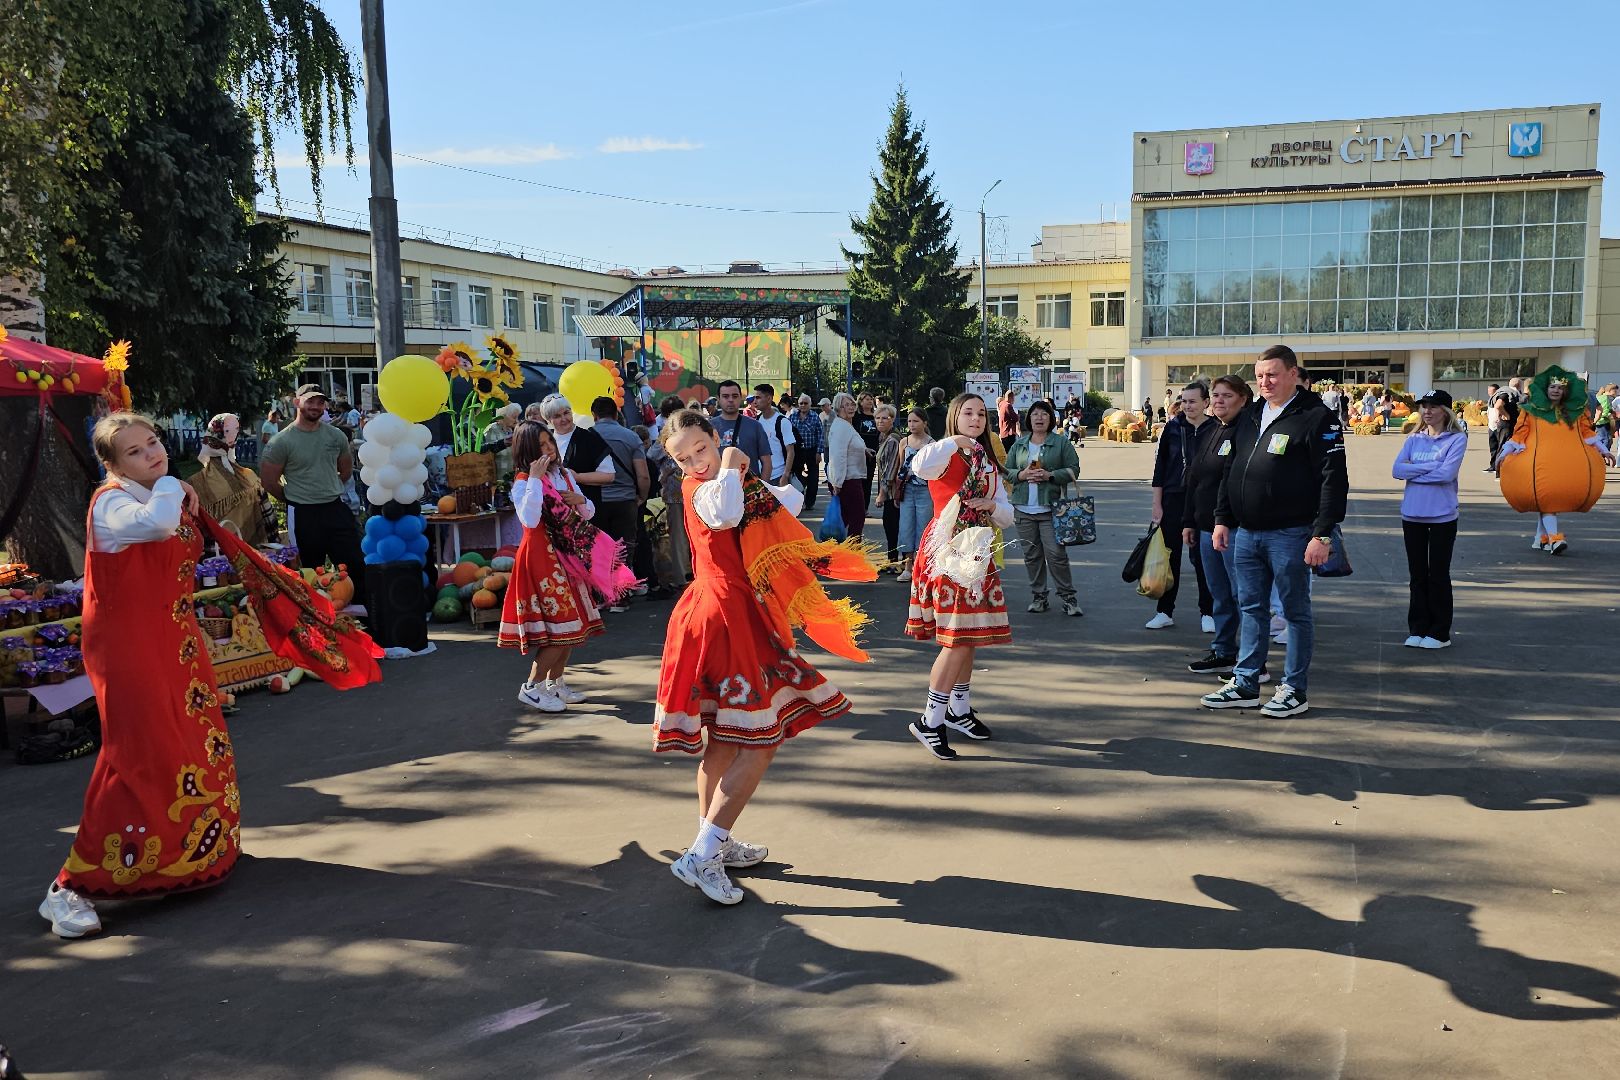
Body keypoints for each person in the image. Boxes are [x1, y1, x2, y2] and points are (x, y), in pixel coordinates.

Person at [41, 412, 380, 939]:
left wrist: (176, 491)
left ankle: (191, 853)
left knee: (191, 743)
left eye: (152, 442)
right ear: (112, 465)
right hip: (129, 647)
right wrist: (176, 486)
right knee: (137, 755)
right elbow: (154, 526)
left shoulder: (160, 495)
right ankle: (70, 887)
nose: (152, 453)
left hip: (174, 639)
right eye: (134, 451)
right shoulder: (113, 502)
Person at [654, 410, 878, 904]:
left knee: (726, 740)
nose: (696, 462)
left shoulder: (729, 482)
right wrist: (732, 462)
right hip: (724, 616)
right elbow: (725, 512)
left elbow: (787, 501)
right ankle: (704, 852)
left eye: (701, 449)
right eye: (683, 458)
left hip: (728, 610)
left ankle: (714, 842)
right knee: (760, 739)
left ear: (714, 436)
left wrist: (742, 469)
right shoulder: (708, 489)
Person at [1202, 345, 1347, 719]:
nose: (1265, 382)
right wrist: (1222, 519)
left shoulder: (1317, 417)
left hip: (1292, 533)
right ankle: (1246, 682)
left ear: (1293, 374)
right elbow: (1231, 470)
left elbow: (1333, 480)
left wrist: (1322, 534)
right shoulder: (1251, 414)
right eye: (1259, 376)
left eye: (1272, 374)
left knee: (1295, 612)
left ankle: (1294, 689)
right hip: (1247, 533)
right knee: (1251, 608)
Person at [904, 393, 1013, 760]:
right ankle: (930, 720)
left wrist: (992, 505)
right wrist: (955, 441)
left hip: (977, 552)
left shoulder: (987, 462)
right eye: (968, 412)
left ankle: (958, 710)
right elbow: (918, 465)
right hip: (947, 552)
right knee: (956, 639)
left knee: (969, 636)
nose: (976, 419)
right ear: (954, 416)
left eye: (981, 413)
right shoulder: (944, 453)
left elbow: (1007, 514)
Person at [499, 421, 635, 711]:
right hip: (542, 560)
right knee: (561, 629)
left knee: (574, 627)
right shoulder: (523, 481)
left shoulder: (562, 474)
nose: (549, 449)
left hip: (568, 557)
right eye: (541, 445)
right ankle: (532, 688)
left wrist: (580, 499)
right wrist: (535, 479)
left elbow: (587, 513)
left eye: (549, 442)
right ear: (528, 451)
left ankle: (555, 683)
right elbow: (529, 520)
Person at [1184, 375, 1260, 677]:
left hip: (1232, 529)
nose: (1219, 401)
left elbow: (1234, 483)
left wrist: (1221, 521)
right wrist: (1189, 521)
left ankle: (1252, 662)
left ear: (1243, 399)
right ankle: (1224, 649)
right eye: (1215, 395)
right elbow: (1195, 480)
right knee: (1220, 594)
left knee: (1244, 596)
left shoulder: (1248, 431)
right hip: (1206, 528)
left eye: (1227, 396)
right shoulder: (1212, 430)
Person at [1496, 365, 1612, 554]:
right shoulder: (1532, 410)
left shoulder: (1575, 411)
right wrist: (1504, 453)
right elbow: (1519, 434)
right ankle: (1554, 538)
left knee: (1548, 502)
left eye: (1560, 387)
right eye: (1552, 387)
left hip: (1563, 464)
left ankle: (1540, 539)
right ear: (1545, 389)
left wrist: (1604, 450)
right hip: (1539, 463)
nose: (1556, 390)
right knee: (1548, 501)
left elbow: (1586, 433)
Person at [259, 384, 364, 575]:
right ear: (297, 402)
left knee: (354, 567)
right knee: (310, 572)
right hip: (303, 513)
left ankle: (357, 595)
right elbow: (268, 482)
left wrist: (328, 488)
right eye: (310, 401)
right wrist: (294, 497)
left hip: (335, 508)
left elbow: (346, 470)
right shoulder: (281, 441)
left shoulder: (336, 436)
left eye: (320, 402)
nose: (315, 406)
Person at [1393, 390, 1468, 650]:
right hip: (1412, 514)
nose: (1427, 411)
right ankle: (1418, 628)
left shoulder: (1457, 439)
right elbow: (1397, 469)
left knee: (1438, 574)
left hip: (1442, 517)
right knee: (1417, 576)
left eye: (1433, 406)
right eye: (1424, 406)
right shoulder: (1413, 439)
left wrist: (1413, 471)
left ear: (1445, 412)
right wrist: (1430, 467)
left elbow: (1447, 474)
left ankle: (1439, 633)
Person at [1147, 382, 1216, 631]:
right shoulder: (1173, 428)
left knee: (1203, 559)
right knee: (1170, 556)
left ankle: (1208, 612)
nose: (1187, 406)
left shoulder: (1216, 428)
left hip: (1204, 501)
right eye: (1184, 401)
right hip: (1173, 499)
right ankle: (1164, 611)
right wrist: (1157, 504)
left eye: (1193, 401)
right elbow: (1160, 469)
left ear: (1206, 402)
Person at [1004, 399, 1082, 616]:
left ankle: (1068, 598)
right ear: (1029, 419)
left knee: (1056, 555)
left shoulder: (1061, 443)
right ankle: (1039, 597)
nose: (1039, 417)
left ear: (1051, 419)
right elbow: (1007, 471)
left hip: (1051, 510)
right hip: (1023, 510)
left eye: (1044, 414)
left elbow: (1074, 469)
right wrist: (1021, 475)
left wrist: (1050, 475)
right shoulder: (1019, 444)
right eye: (1035, 414)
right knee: (1032, 556)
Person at [589, 396, 651, 607]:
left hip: (595, 501)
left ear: (594, 415)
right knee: (624, 548)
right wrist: (641, 496)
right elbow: (643, 475)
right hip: (625, 500)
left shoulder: (586, 436)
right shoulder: (631, 437)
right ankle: (620, 597)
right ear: (616, 414)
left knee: (598, 549)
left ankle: (600, 596)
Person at [539, 394, 615, 512]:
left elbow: (609, 476)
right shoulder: (544, 440)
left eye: (566, 413)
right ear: (548, 420)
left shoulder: (590, 438)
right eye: (557, 416)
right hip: (554, 511)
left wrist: (577, 477)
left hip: (587, 510)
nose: (564, 418)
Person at [894, 409, 934, 583]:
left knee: (923, 528)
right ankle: (908, 567)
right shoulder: (904, 442)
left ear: (925, 422)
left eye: (916, 421)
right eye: (909, 421)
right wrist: (896, 491)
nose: (911, 425)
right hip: (907, 490)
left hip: (925, 490)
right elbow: (899, 467)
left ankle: (921, 566)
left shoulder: (932, 444)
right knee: (906, 526)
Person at [708, 380, 772, 480]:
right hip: (718, 487)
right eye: (725, 396)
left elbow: (767, 462)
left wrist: (762, 487)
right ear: (718, 399)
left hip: (750, 487)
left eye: (735, 396)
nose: (730, 400)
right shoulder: (708, 427)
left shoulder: (755, 426)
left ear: (740, 398)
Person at [826, 392, 868, 541]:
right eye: (846, 405)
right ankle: (851, 550)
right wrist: (837, 482)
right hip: (847, 480)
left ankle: (835, 549)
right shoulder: (842, 427)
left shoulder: (845, 425)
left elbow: (849, 447)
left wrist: (865, 450)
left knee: (844, 519)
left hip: (848, 478)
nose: (850, 408)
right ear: (838, 408)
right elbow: (838, 456)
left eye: (852, 404)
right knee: (857, 518)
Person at [872, 403, 904, 571]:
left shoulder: (892, 440)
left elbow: (891, 469)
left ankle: (895, 562)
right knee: (891, 525)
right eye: (877, 418)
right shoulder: (884, 437)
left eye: (885, 418)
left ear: (892, 419)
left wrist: (882, 493)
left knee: (892, 526)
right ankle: (892, 560)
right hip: (890, 490)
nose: (880, 421)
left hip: (892, 491)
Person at [753, 383, 796, 486]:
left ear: (769, 399)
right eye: (754, 398)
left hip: (778, 477)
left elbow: (790, 451)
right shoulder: (757, 421)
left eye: (758, 397)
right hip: (760, 477)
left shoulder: (782, 422)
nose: (754, 401)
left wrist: (785, 475)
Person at [789, 393, 825, 510]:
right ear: (798, 404)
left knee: (813, 478)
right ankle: (798, 501)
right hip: (797, 451)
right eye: (801, 403)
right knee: (796, 477)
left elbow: (821, 435)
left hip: (812, 450)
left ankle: (810, 502)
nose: (803, 405)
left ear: (810, 404)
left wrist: (819, 452)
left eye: (805, 403)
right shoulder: (792, 417)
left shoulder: (815, 417)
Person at [855, 392, 881, 508]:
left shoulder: (876, 416)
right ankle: (858, 506)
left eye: (871, 399)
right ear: (860, 401)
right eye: (867, 399)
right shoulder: (856, 416)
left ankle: (865, 507)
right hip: (858, 453)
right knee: (858, 481)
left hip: (873, 453)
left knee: (868, 480)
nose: (870, 401)